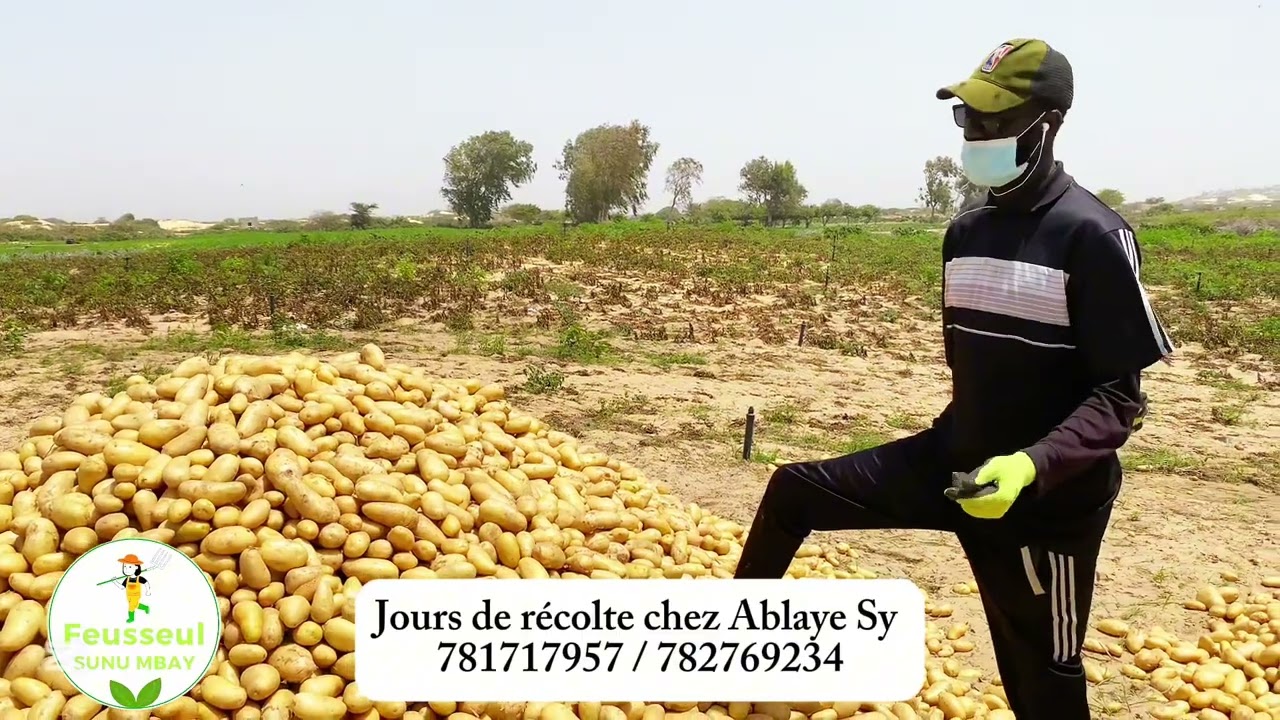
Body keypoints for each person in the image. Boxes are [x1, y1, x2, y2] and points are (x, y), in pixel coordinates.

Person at [732, 39, 1173, 719]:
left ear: (1048, 124)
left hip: (1046, 506)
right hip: (955, 466)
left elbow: (1120, 399)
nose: (978, 136)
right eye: (968, 121)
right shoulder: (965, 234)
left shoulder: (1092, 236)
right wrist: (966, 448)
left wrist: (1031, 466)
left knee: (1043, 683)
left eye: (995, 122)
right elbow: (972, 370)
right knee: (792, 492)